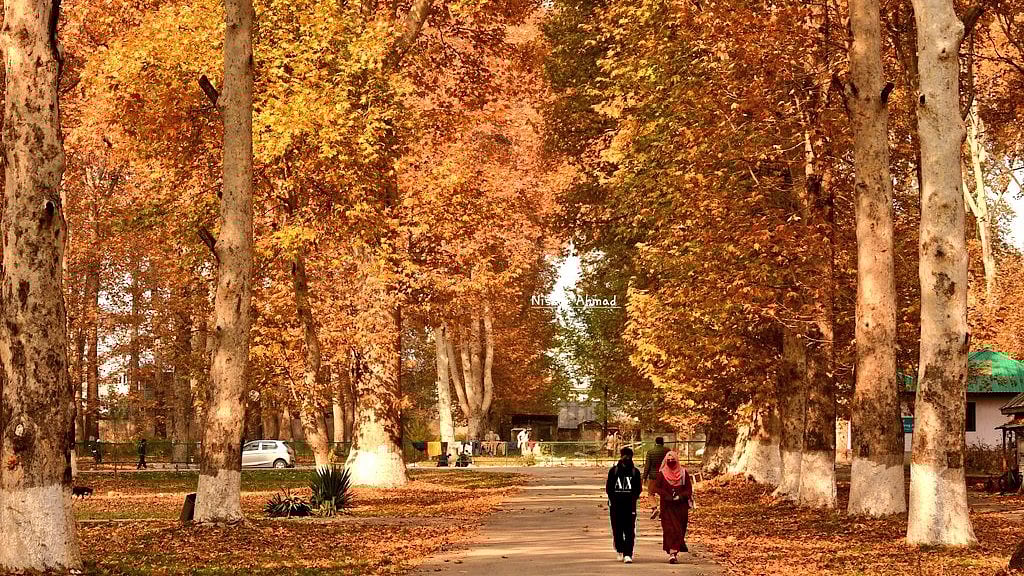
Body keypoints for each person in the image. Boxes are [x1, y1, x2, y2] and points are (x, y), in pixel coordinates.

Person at [651, 451, 693, 564]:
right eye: (668, 460)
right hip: (667, 506)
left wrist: (680, 496)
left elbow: (689, 489)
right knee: (669, 529)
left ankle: (675, 550)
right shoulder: (662, 474)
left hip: (680, 507)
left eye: (673, 460)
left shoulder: (683, 473)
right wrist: (666, 495)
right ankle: (672, 553)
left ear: (677, 460)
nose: (670, 462)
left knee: (679, 530)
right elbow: (656, 488)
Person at [606, 446, 642, 564]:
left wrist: (632, 499)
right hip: (615, 506)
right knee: (617, 529)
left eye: (629, 456)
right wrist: (613, 500)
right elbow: (609, 488)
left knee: (630, 530)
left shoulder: (635, 472)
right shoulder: (614, 471)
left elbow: (638, 489)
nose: (626, 458)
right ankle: (619, 548)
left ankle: (628, 553)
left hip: (630, 506)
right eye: (624, 456)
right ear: (621, 457)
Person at [643, 437, 669, 519]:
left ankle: (654, 507)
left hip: (653, 476)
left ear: (655, 442)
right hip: (665, 476)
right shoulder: (667, 451)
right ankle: (662, 511)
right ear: (663, 442)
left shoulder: (650, 452)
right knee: (663, 494)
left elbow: (647, 465)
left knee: (651, 493)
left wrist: (644, 477)